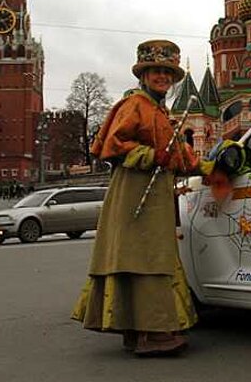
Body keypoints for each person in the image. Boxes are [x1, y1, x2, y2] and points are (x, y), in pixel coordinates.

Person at [71, 39, 202, 357]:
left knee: (150, 256)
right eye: (157, 71)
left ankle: (139, 330)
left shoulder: (159, 110)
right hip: (134, 193)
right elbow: (112, 147)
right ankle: (151, 333)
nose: (163, 78)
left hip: (155, 194)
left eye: (168, 73)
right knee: (145, 258)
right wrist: (151, 155)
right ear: (143, 75)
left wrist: (208, 165)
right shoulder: (134, 105)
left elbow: (175, 156)